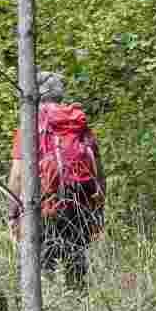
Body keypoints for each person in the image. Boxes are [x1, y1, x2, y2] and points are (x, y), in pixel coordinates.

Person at [10, 71, 105, 289]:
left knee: (43, 268)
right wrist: (98, 210)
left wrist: (13, 214)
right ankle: (79, 306)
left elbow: (17, 174)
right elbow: (99, 172)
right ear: (60, 94)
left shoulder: (29, 125)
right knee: (76, 262)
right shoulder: (79, 125)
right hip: (80, 204)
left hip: (43, 205)